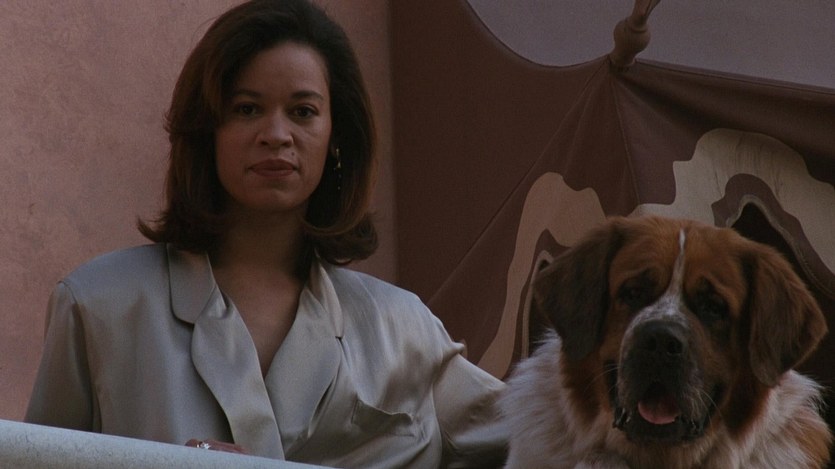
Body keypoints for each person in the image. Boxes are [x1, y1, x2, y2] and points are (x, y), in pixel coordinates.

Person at [25, 0, 507, 467]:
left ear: (337, 137)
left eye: (303, 111)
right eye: (247, 109)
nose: (276, 134)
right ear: (206, 129)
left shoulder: (403, 329)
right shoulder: (98, 305)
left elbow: (536, 442)